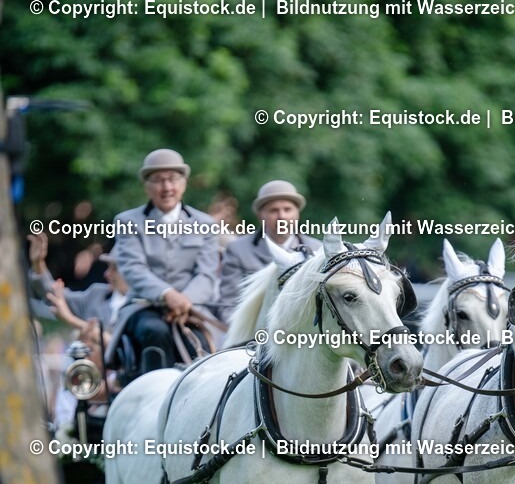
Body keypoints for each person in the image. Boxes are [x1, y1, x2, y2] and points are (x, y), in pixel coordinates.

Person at [107, 149, 219, 372]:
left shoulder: (206, 224)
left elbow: (207, 274)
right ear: (147, 186)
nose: (167, 187)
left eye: (173, 179)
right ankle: (154, 391)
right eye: (158, 180)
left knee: (203, 345)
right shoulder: (127, 221)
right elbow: (133, 269)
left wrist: (185, 301)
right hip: (144, 307)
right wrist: (167, 295)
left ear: (184, 183)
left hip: (191, 309)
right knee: (155, 332)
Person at [217, 179, 320, 326]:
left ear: (297, 213)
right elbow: (228, 305)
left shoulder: (317, 250)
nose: (282, 216)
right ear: (260, 215)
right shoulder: (238, 249)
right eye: (273, 210)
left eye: (287, 209)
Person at [28, 232, 128, 335]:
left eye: (114, 268)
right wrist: (38, 264)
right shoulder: (97, 295)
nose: (107, 274)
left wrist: (70, 319)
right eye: (109, 267)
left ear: (130, 271)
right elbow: (54, 296)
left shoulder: (137, 308)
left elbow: (116, 341)